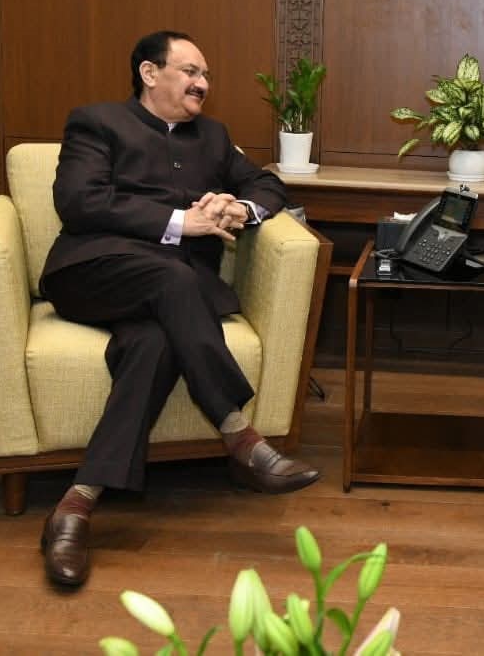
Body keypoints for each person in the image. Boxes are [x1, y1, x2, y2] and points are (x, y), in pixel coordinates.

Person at [37, 30, 321, 587]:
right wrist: (179, 223)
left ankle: (75, 506)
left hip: (170, 294)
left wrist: (240, 208)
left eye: (206, 75)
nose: (203, 84)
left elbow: (268, 185)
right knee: (173, 276)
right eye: (191, 71)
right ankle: (238, 434)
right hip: (93, 272)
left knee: (154, 342)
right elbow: (78, 201)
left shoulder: (213, 137)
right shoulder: (96, 123)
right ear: (150, 73)